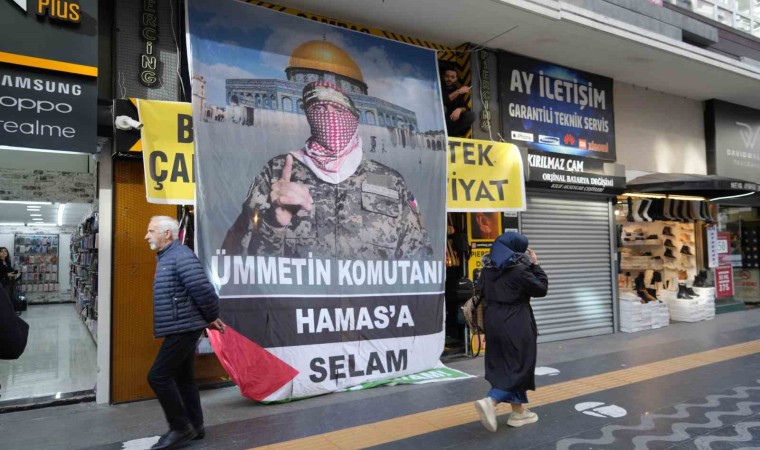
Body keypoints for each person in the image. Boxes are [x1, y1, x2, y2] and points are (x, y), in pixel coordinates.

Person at [222, 81, 433, 260]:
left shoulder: (389, 181)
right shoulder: (278, 171)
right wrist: (273, 225)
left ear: (354, 118)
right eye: (320, 109)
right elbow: (234, 259)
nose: (329, 117)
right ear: (308, 115)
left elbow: (418, 261)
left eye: (338, 110)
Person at [144, 216, 226, 450]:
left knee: (157, 376)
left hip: (184, 327)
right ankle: (195, 426)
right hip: (182, 325)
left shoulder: (180, 256)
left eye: (151, 231)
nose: (146, 236)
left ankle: (180, 427)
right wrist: (208, 319)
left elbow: (203, 290)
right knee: (184, 377)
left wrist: (210, 317)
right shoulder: (169, 257)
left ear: (167, 234)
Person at [473, 231, 548, 432]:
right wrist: (535, 265)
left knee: (504, 364)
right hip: (516, 321)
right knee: (521, 364)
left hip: (493, 321)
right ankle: (492, 400)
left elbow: (481, 292)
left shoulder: (487, 270)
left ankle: (518, 413)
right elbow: (541, 289)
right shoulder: (519, 270)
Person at [442, 68, 475, 137]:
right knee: (443, 108)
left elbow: (465, 108)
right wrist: (459, 91)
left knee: (471, 115)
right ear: (443, 76)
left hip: (451, 122)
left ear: (456, 79)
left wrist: (459, 109)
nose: (449, 79)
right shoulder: (438, 86)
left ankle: (453, 134)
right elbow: (443, 100)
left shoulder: (455, 89)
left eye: (452, 77)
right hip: (440, 121)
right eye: (447, 76)